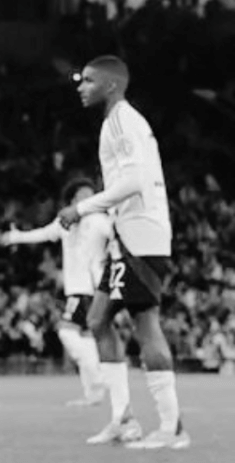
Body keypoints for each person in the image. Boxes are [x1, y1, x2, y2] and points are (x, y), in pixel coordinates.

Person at [58, 55, 189, 449]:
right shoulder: (115, 122)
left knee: (145, 323)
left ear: (111, 85)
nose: (81, 87)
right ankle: (123, 419)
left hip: (142, 236)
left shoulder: (122, 121)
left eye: (89, 80)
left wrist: (82, 207)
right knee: (97, 319)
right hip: (126, 236)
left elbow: (134, 182)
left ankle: (172, 428)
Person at [0, 177, 111, 406]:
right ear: (73, 199)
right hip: (77, 289)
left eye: (91, 195)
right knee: (85, 336)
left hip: (88, 288)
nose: (89, 199)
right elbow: (44, 233)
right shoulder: (65, 221)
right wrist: (16, 237)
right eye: (83, 195)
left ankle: (99, 376)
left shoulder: (98, 220)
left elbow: (116, 234)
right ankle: (94, 393)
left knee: (67, 332)